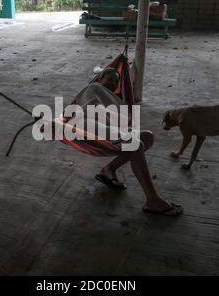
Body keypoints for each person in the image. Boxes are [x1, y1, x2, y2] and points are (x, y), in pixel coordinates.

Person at [66, 68, 183, 216]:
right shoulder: (93, 87)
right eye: (110, 79)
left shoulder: (114, 98)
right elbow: (87, 109)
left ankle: (109, 169)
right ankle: (152, 199)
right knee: (135, 145)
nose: (114, 83)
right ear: (100, 78)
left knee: (147, 137)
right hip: (86, 127)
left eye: (116, 81)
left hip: (107, 129)